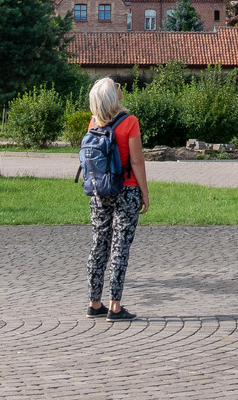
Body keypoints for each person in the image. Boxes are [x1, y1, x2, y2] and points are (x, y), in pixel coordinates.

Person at [84, 76, 148, 321]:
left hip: (99, 191)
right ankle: (115, 306)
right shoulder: (130, 122)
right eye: (117, 87)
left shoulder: (93, 122)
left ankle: (94, 302)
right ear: (113, 96)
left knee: (99, 244)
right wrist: (144, 192)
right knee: (120, 246)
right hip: (127, 190)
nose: (121, 89)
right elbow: (137, 161)